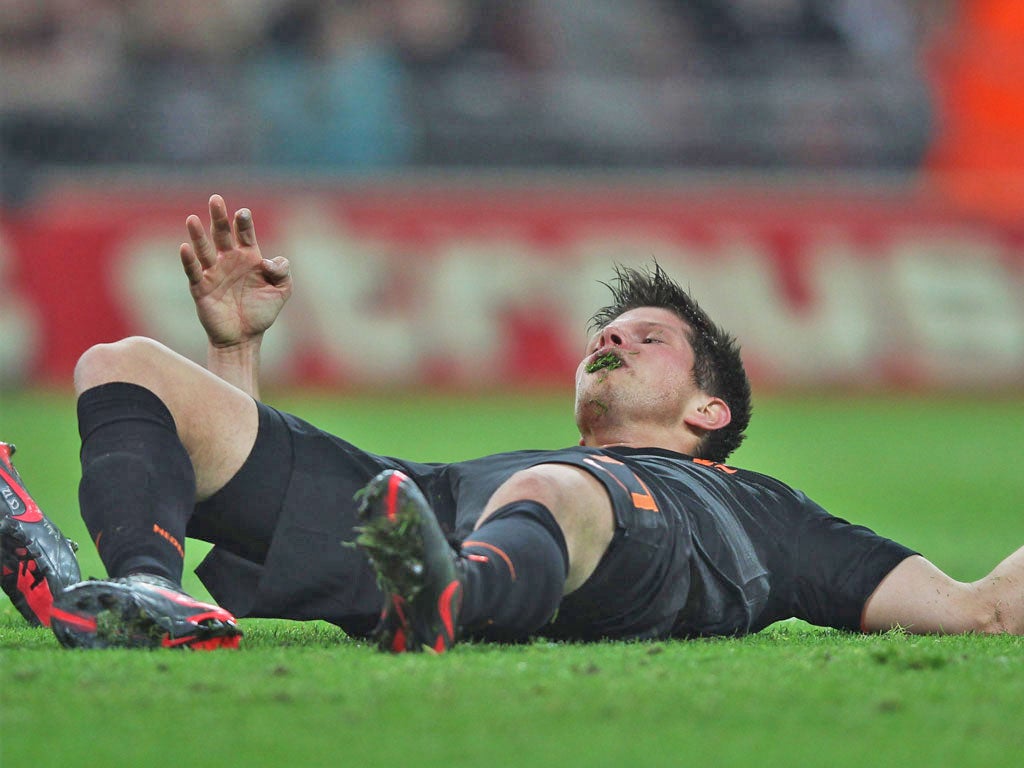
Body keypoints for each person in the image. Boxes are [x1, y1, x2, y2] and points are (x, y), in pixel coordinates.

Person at [3, 194, 1023, 652]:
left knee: (555, 494)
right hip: (437, 513)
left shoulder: (762, 512)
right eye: (603, 334)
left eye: (645, 337)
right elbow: (248, 486)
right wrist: (234, 354)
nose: (609, 343)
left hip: (615, 536)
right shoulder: (481, 480)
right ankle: (142, 595)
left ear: (708, 411)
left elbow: (976, 608)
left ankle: (447, 601)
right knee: (124, 364)